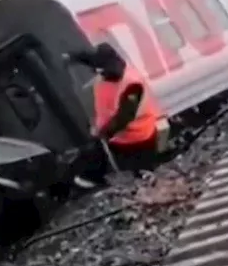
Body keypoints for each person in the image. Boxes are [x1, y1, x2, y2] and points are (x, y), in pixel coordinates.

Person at [67, 42, 165, 171]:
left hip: (135, 137)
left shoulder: (132, 85)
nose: (115, 72)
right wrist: (72, 57)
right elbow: (91, 59)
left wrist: (102, 134)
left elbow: (124, 118)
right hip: (117, 135)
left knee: (137, 172)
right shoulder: (105, 67)